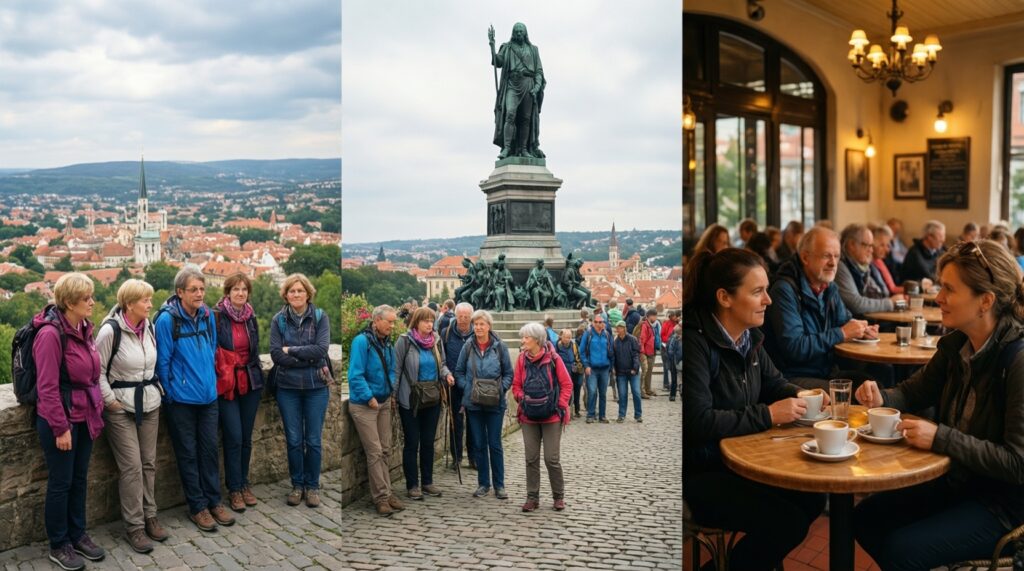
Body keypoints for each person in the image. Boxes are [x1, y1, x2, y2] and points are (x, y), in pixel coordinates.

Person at [852, 239, 1024, 569]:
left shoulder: (1016, 360)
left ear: (985, 301)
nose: (938, 298)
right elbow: (912, 393)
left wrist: (940, 437)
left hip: (1002, 507)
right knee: (866, 519)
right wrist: (882, 397)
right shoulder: (956, 344)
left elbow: (1017, 464)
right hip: (959, 483)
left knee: (902, 551)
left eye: (949, 289)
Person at [683, 248, 826, 569]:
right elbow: (696, 421)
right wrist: (769, 415)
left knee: (814, 496)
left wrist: (805, 394)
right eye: (758, 292)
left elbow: (775, 383)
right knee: (786, 521)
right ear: (725, 297)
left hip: (741, 460)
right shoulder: (695, 343)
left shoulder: (749, 337)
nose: (769, 300)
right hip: (702, 470)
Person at [33, 273, 106, 570]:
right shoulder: (50, 335)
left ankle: (78, 534)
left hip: (85, 414)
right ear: (69, 301)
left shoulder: (84, 328)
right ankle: (59, 543)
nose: (92, 302)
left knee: (79, 478)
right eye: (86, 298)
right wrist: (60, 428)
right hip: (61, 418)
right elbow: (47, 388)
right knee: (61, 483)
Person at [156, 266, 233, 532]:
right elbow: (162, 361)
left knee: (210, 451)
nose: (200, 294)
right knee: (188, 454)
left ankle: (214, 501)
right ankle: (197, 507)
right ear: (180, 293)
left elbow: (212, 349)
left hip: (208, 397)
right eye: (194, 290)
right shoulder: (167, 320)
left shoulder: (208, 315)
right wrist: (172, 394)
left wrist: (209, 382)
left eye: (202, 288)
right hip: (181, 401)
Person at [763, 226, 878, 390]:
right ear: (805, 257)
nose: (833, 263)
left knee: (875, 385)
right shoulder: (785, 290)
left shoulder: (828, 286)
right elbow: (795, 347)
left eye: (836, 256)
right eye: (826, 256)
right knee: (857, 395)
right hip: (791, 377)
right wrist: (842, 333)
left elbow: (843, 320)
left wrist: (862, 329)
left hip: (825, 371)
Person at [97, 279, 165, 554]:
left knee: (149, 463)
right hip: (121, 407)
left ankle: (151, 515)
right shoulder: (109, 331)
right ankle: (134, 526)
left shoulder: (147, 326)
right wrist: (111, 402)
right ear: (129, 304)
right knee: (132, 467)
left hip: (149, 402)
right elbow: (97, 372)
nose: (150, 304)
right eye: (145, 300)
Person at [270, 273, 332, 508]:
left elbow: (321, 349)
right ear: (285, 295)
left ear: (308, 293)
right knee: (294, 440)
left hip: (316, 386)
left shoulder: (319, 317)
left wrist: (291, 351)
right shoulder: (279, 320)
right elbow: (276, 354)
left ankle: (312, 486)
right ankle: (297, 485)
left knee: (314, 439)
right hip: (288, 388)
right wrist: (304, 356)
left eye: (300, 290)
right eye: (292, 291)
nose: (296, 294)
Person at [213, 273, 264, 513]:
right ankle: (233, 488)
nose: (240, 293)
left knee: (246, 437)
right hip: (227, 383)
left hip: (250, 381)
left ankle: (243, 483)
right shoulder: (216, 317)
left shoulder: (250, 317)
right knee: (233, 436)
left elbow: (256, 350)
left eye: (244, 289)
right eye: (235, 289)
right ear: (227, 292)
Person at [347, 305, 404, 517]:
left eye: (393, 321)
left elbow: (392, 369)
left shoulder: (387, 343)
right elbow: (355, 374)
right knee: (375, 452)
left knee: (386, 449)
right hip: (364, 405)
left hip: (383, 402)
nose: (392, 325)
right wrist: (369, 396)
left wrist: (389, 390)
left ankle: (387, 493)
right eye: (389, 321)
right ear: (376, 321)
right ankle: (380, 498)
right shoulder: (362, 342)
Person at [393, 307, 454, 500]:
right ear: (416, 322)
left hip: (432, 397)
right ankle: (412, 485)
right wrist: (393, 397)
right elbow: (396, 369)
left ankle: (427, 482)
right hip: (410, 398)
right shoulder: (404, 341)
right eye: (426, 321)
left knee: (428, 442)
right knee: (412, 443)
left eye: (432, 321)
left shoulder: (436, 342)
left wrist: (447, 374)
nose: (430, 324)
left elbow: (442, 364)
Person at [512, 322, 573, 512]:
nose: (523, 341)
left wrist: (560, 405)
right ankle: (532, 497)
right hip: (529, 415)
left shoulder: (554, 358)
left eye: (526, 337)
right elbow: (516, 385)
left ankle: (558, 496)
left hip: (551, 416)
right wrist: (522, 398)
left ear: (537, 340)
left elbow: (567, 385)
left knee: (551, 458)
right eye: (523, 337)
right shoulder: (522, 359)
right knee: (531, 458)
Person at [454, 310, 514, 500]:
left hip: (495, 403)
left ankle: (499, 485)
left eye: (482, 324)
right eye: (476, 324)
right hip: (474, 403)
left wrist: (499, 389)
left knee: (495, 444)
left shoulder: (499, 347)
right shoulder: (468, 347)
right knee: (479, 444)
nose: (478, 328)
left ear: (489, 326)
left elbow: (508, 374)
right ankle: (483, 484)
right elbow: (459, 371)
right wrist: (469, 389)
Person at [488, 22, 545, 160]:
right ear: (513, 33)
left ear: (525, 33)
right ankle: (507, 148)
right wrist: (492, 46)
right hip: (513, 84)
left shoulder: (533, 50)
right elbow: (498, 62)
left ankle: (524, 149)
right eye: (517, 31)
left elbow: (539, 71)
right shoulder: (507, 47)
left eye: (521, 31)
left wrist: (537, 87)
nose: (519, 33)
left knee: (526, 119)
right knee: (510, 114)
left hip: (529, 84)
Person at [835, 223, 904, 316]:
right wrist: (889, 303)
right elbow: (856, 304)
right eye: (867, 245)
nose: (871, 250)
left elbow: (878, 295)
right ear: (851, 245)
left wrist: (898, 302)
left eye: (872, 246)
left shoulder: (862, 266)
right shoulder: (841, 266)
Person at [440, 302, 476, 470]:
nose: (463, 320)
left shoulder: (477, 334)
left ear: (471, 318)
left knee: (474, 423)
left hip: (474, 386)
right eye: (460, 316)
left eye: (466, 317)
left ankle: (473, 457)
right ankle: (456, 457)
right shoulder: (446, 333)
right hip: (454, 385)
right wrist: (447, 374)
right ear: (455, 316)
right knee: (456, 422)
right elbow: (443, 359)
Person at [579, 313, 613, 423]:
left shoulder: (607, 335)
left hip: (604, 368)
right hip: (592, 368)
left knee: (603, 393)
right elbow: (582, 351)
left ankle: (602, 416)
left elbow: (611, 351)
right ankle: (590, 414)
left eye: (601, 322)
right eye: (597, 322)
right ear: (593, 323)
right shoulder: (588, 334)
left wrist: (611, 366)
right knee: (592, 391)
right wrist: (586, 365)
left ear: (604, 323)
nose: (599, 324)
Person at [612, 321, 642, 422]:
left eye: (619, 328)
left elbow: (636, 355)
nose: (617, 330)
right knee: (622, 394)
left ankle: (638, 415)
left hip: (633, 371)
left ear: (624, 328)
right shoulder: (615, 341)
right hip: (621, 372)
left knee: (636, 393)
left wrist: (635, 368)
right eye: (617, 328)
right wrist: (614, 369)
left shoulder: (632, 339)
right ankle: (621, 415)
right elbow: (614, 357)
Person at [553, 328, 584, 418]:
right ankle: (566, 411)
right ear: (561, 337)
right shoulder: (556, 346)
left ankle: (577, 409)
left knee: (577, 390)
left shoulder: (574, 345)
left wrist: (578, 365)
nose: (567, 339)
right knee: (567, 392)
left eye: (569, 337)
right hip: (563, 373)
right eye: (566, 337)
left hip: (575, 372)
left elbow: (578, 357)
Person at [638, 308, 661, 398]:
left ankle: (648, 389)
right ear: (650, 316)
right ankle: (642, 391)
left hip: (651, 351)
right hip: (645, 352)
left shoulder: (651, 325)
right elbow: (642, 339)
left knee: (649, 372)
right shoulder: (645, 325)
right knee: (644, 371)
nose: (656, 318)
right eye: (655, 316)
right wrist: (642, 352)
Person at [661, 310, 680, 394]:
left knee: (674, 368)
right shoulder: (666, 324)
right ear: (672, 317)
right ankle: (666, 383)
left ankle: (674, 385)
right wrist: (668, 341)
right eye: (675, 316)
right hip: (666, 346)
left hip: (675, 348)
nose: (676, 318)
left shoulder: (678, 324)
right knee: (666, 366)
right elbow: (662, 334)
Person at [886, 217, 909, 282]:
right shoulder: (887, 241)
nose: (896, 231)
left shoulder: (897, 240)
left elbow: (906, 253)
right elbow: (894, 257)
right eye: (894, 229)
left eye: (897, 229)